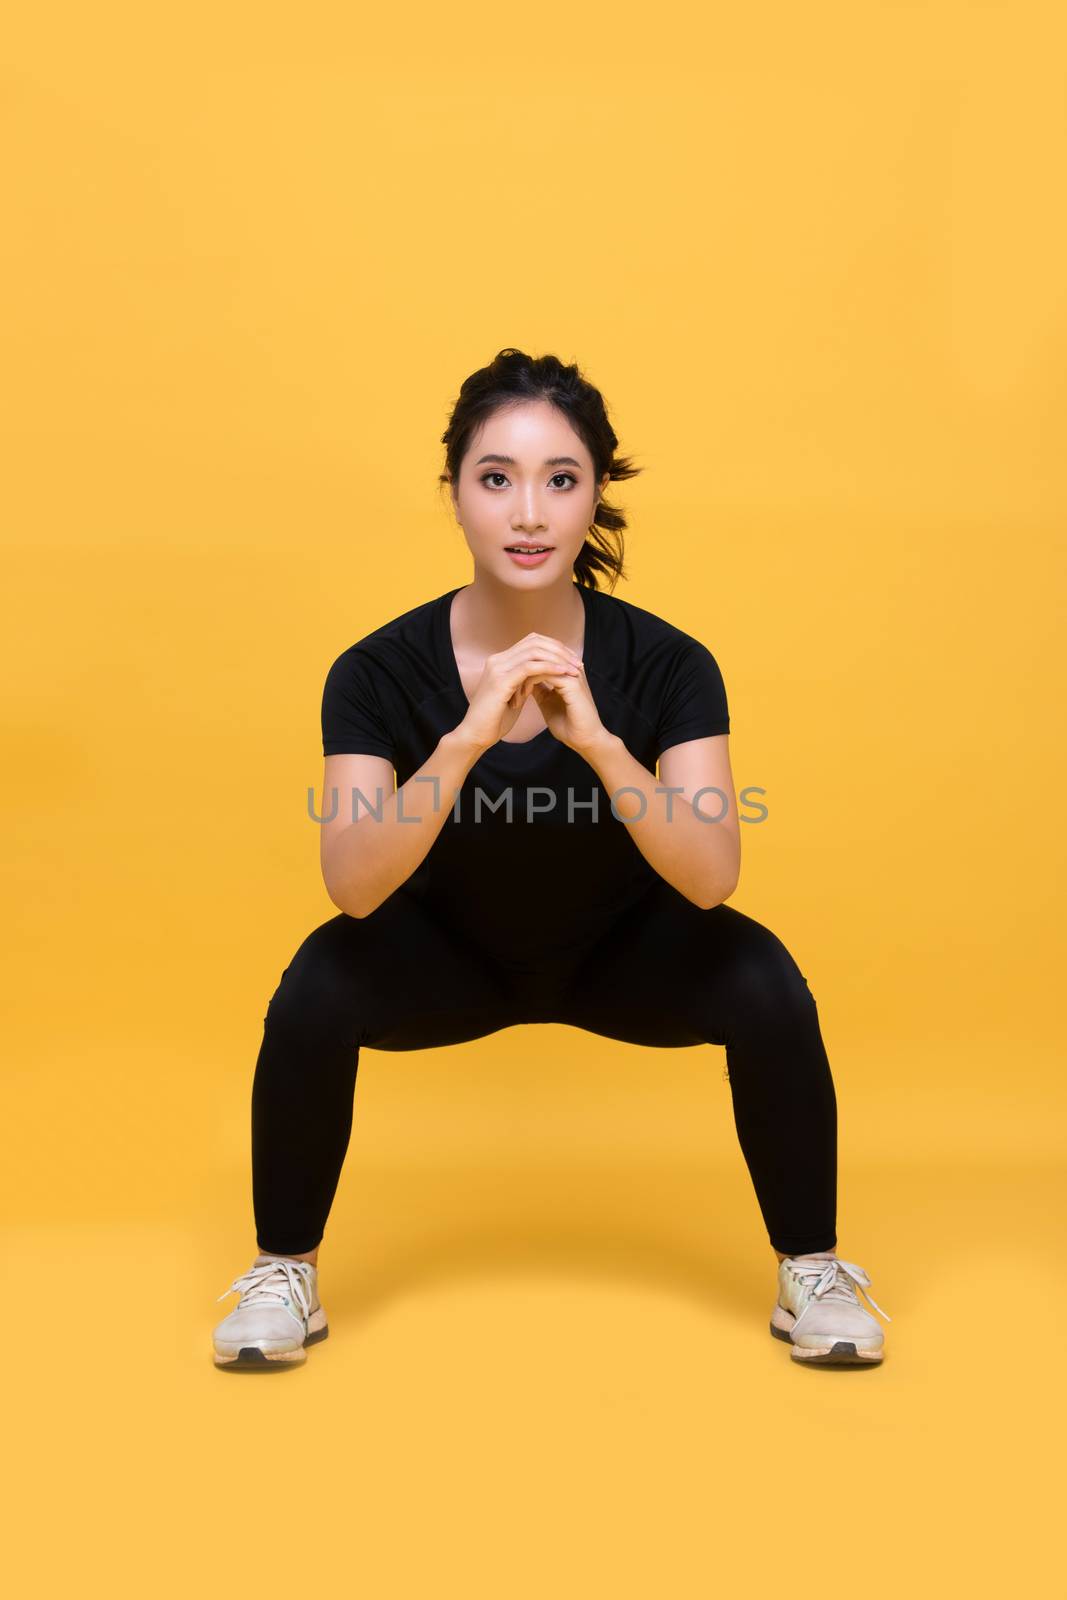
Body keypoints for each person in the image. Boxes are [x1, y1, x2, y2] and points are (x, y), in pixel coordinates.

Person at [213, 348, 891, 1372]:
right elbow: (352, 885)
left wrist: (598, 742)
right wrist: (466, 736)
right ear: (454, 495)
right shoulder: (374, 669)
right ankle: (281, 1272)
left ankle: (815, 1270)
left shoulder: (667, 662)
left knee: (763, 977)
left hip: (620, 953)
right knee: (316, 979)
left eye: (558, 480)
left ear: (593, 496)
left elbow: (710, 876)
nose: (527, 513)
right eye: (495, 479)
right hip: (447, 957)